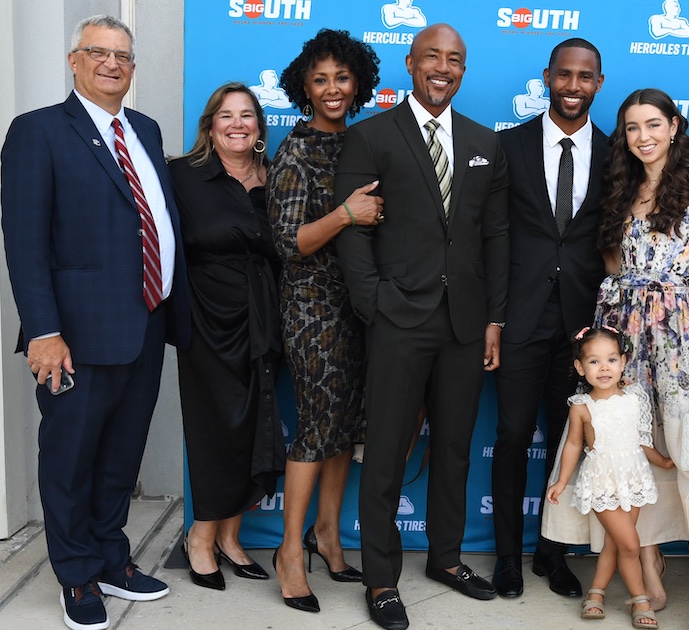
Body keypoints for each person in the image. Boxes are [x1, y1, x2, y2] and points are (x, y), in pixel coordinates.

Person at [0, 14, 189, 630]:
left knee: (119, 458)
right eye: (98, 52)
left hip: (144, 324)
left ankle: (112, 557)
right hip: (74, 337)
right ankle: (77, 574)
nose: (113, 63)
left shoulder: (145, 129)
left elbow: (150, 219)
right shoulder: (38, 132)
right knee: (71, 458)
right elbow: (26, 243)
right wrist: (44, 331)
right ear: (74, 61)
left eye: (124, 56)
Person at [333, 23, 509, 630]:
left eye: (455, 59)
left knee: (455, 450)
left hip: (464, 323)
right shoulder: (370, 137)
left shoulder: (486, 141)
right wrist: (373, 302)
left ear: (464, 70)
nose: (443, 67)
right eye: (432, 56)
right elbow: (354, 232)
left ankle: (446, 558)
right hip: (397, 320)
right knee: (385, 453)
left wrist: (493, 319)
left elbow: (495, 236)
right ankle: (382, 578)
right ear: (410, 63)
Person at [595, 88, 689, 630]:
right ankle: (651, 571)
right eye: (633, 128)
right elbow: (615, 274)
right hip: (627, 336)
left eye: (654, 124)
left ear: (676, 126)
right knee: (638, 453)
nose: (644, 137)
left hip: (682, 335)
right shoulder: (621, 192)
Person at [267, 29, 382, 613]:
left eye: (341, 78)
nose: (332, 89)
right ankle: (290, 552)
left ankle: (329, 535)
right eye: (320, 80)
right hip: (313, 310)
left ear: (357, 82)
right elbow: (288, 243)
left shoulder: (364, 143)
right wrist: (345, 213)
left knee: (346, 427)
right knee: (317, 425)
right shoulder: (296, 151)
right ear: (303, 89)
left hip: (364, 308)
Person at [491, 37, 607, 600]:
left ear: (598, 85)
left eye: (585, 77)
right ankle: (508, 558)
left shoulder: (617, 155)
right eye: (564, 75)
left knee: (570, 444)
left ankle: (551, 553)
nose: (573, 86)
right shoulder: (507, 147)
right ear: (547, 77)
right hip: (519, 319)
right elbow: (489, 237)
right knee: (512, 436)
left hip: (583, 330)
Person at [168, 83, 285, 592]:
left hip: (266, 319)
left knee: (255, 423)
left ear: (259, 126)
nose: (237, 124)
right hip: (208, 321)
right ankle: (201, 536)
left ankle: (232, 537)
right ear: (210, 124)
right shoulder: (181, 175)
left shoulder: (275, 178)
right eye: (226, 115)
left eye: (247, 115)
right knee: (217, 429)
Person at [546, 326, 669, 628]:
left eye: (611, 359)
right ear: (579, 367)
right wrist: (561, 481)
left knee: (615, 544)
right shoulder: (581, 407)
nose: (604, 368)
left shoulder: (635, 397)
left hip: (634, 477)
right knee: (629, 545)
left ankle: (596, 594)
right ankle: (639, 599)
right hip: (601, 480)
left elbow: (642, 441)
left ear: (623, 361)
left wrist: (663, 462)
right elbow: (574, 445)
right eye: (594, 361)